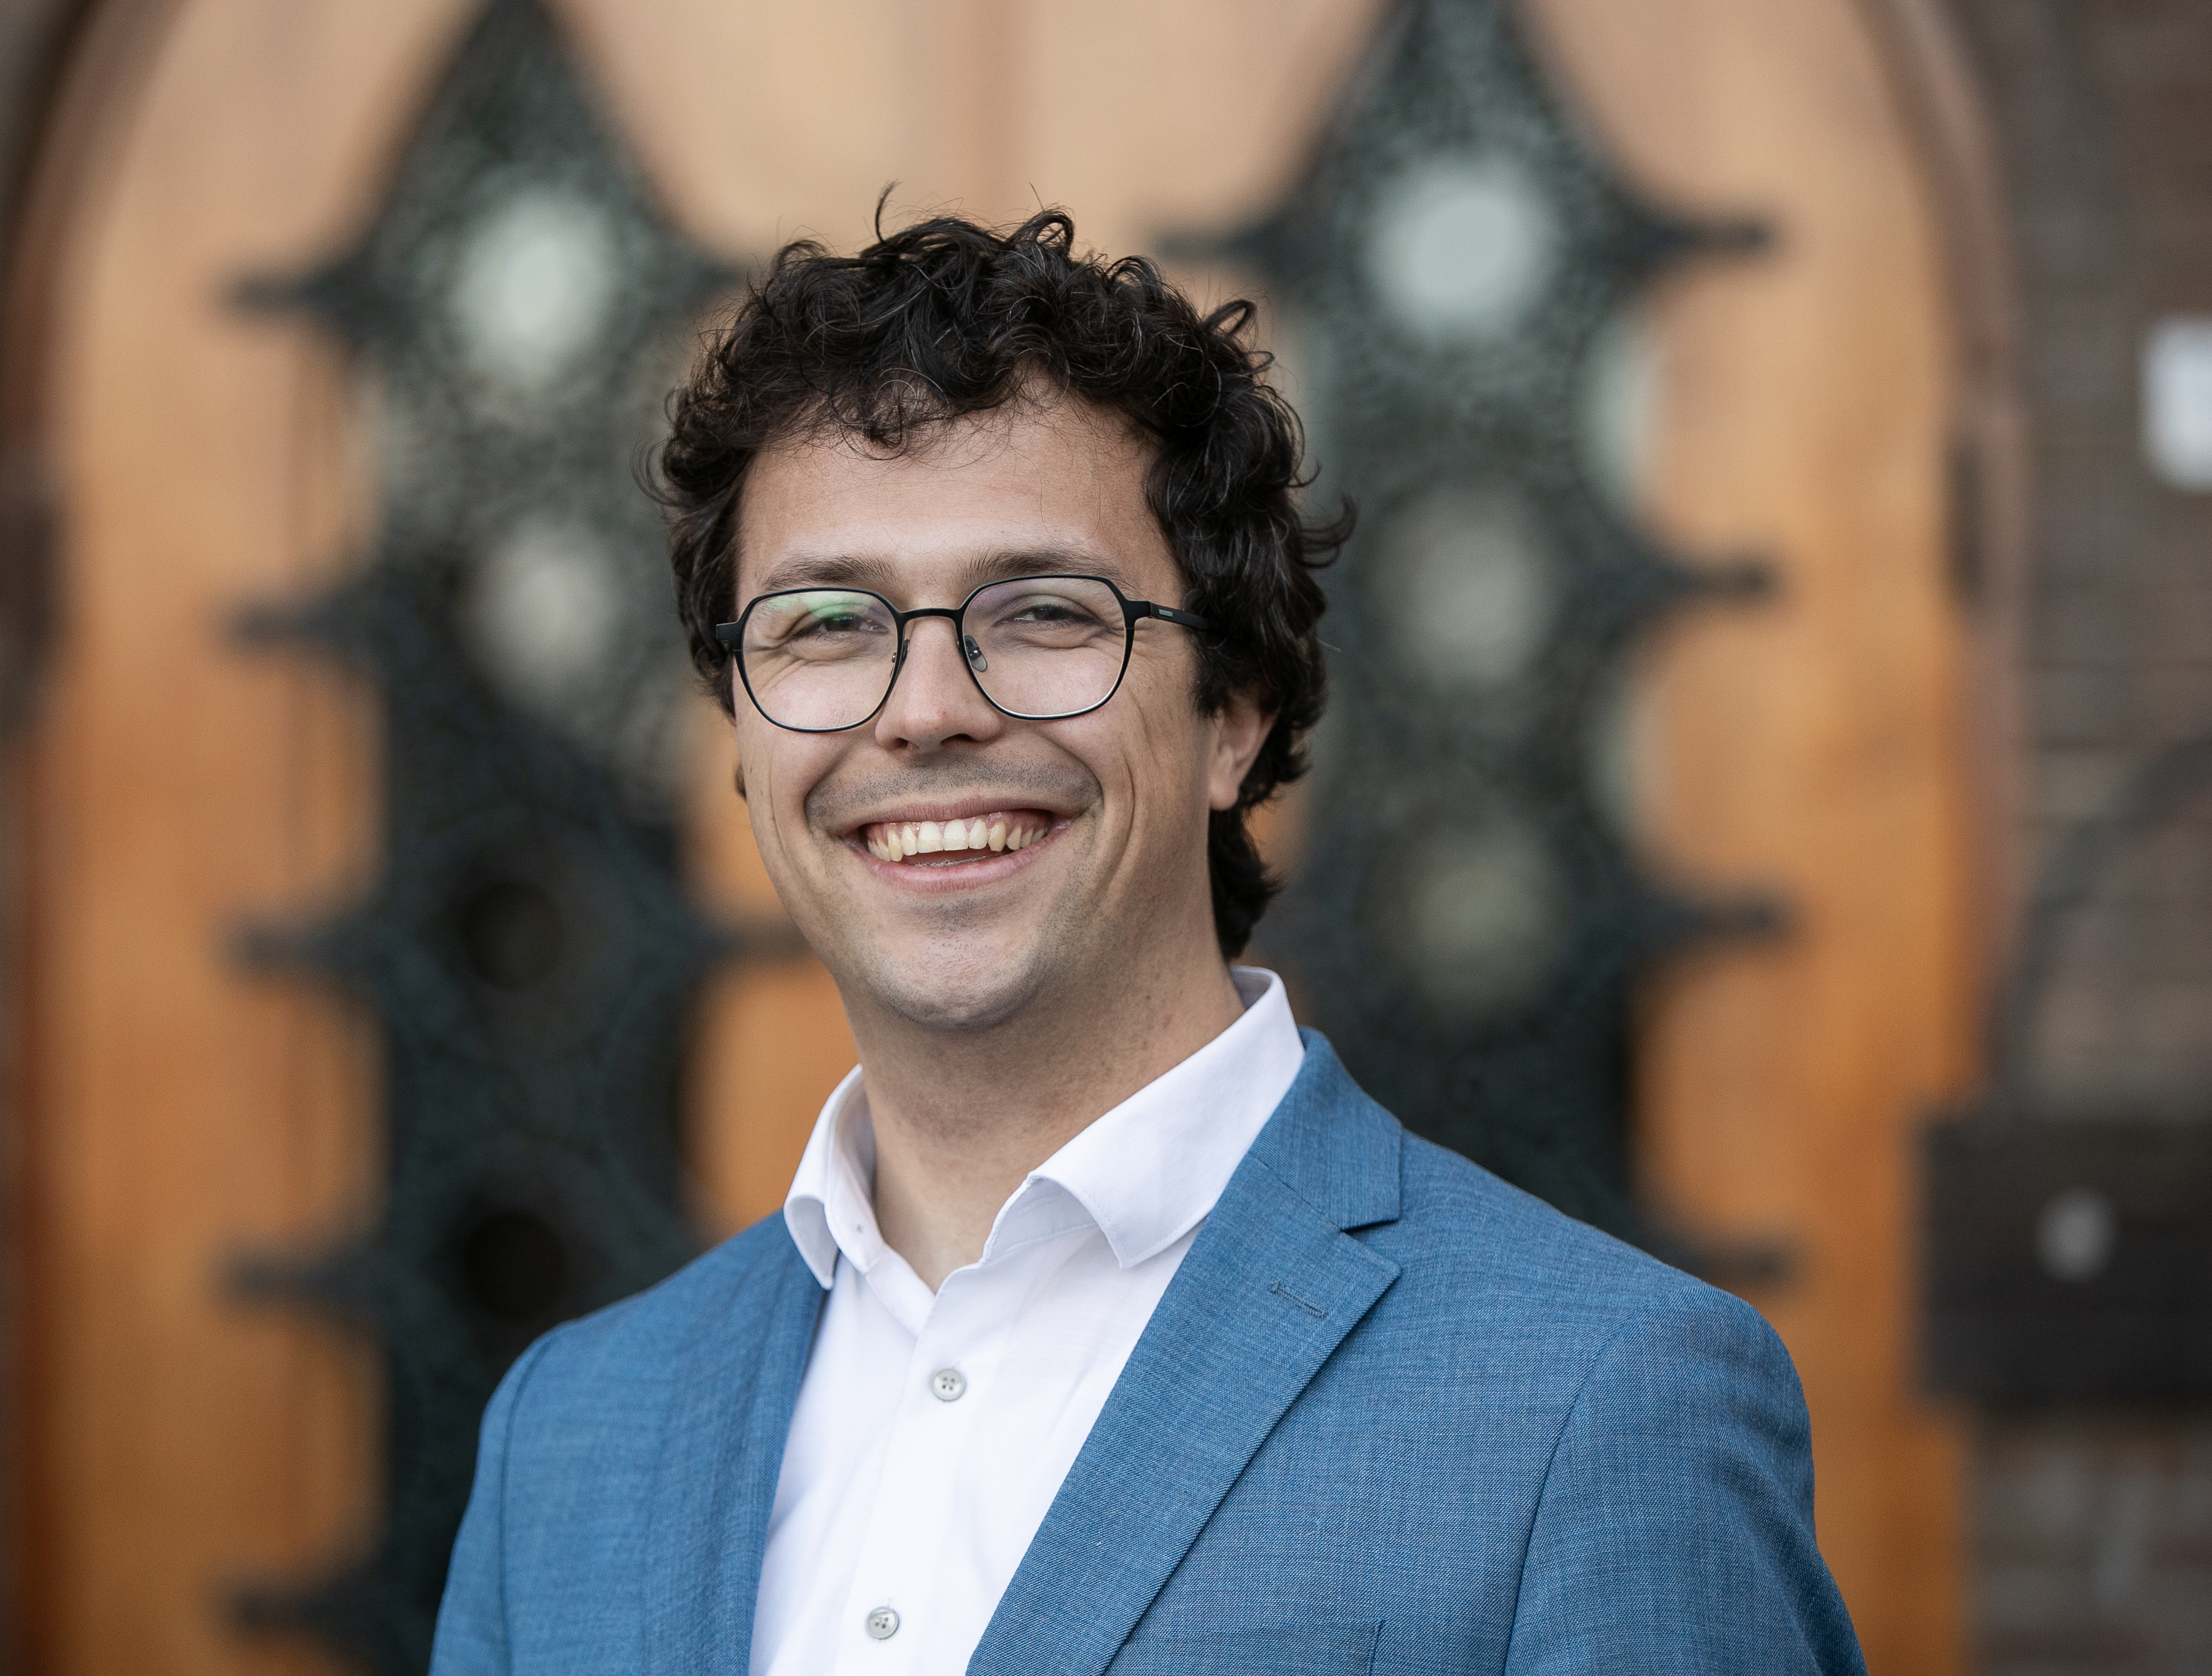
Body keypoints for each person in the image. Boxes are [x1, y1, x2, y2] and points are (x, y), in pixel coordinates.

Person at [429, 210, 1864, 1675]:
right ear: (740, 724)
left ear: (1232, 715)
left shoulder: (1605, 1406)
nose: (925, 710)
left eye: (1045, 612)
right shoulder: (568, 1435)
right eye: (827, 624)